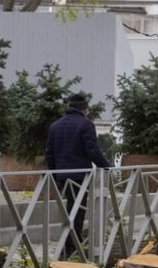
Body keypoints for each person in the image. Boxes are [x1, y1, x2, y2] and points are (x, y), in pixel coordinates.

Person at [45, 93, 111, 257]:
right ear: (85, 109)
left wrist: (55, 174)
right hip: (80, 175)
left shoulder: (55, 126)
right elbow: (92, 150)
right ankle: (70, 248)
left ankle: (70, 245)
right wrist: (106, 167)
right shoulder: (85, 124)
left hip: (62, 175)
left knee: (70, 210)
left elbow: (49, 154)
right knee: (77, 212)